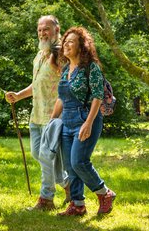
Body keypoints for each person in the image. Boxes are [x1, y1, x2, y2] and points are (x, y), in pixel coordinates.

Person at [5, 15, 69, 210]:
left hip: (53, 116)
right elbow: (38, 84)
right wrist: (18, 95)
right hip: (36, 115)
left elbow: (69, 85)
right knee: (39, 154)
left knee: (46, 157)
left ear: (57, 30)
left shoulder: (61, 54)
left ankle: (46, 199)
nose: (42, 33)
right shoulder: (40, 54)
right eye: (40, 30)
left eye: (46, 29)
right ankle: (69, 185)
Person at [50, 27, 116, 216]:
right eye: (65, 41)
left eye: (71, 41)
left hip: (87, 118)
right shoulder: (65, 70)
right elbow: (61, 98)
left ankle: (105, 193)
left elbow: (97, 96)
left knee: (79, 161)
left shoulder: (91, 67)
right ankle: (77, 204)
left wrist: (87, 123)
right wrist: (53, 120)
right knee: (70, 166)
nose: (66, 44)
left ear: (81, 46)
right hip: (67, 120)